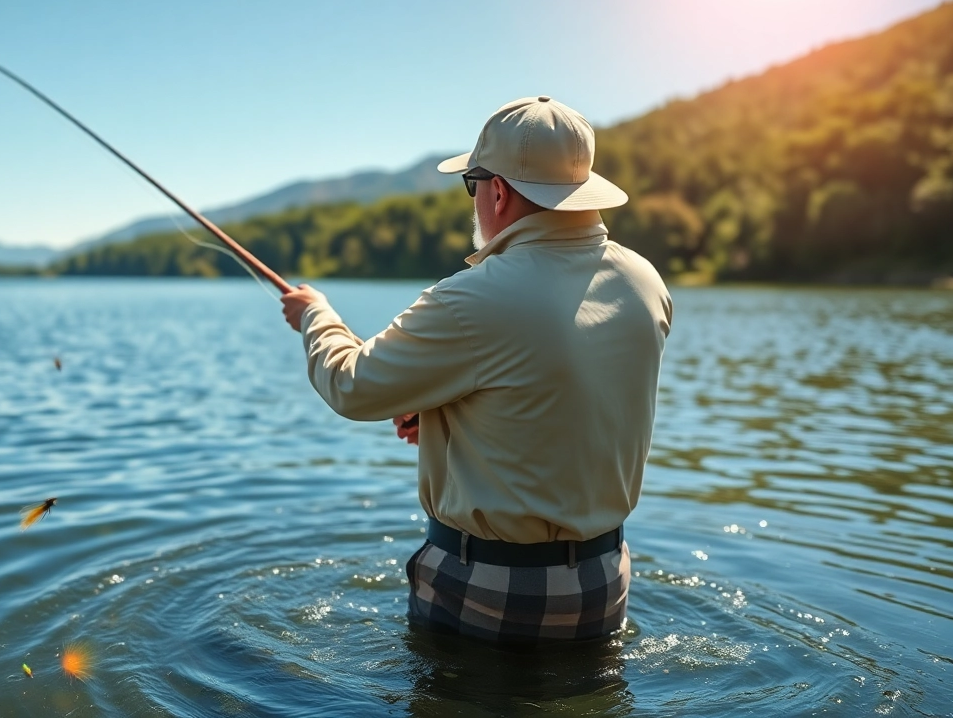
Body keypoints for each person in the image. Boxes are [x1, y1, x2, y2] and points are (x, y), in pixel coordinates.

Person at [280, 96, 673, 643]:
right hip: (605, 582)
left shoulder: (471, 299)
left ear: (498, 191)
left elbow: (352, 385)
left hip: (487, 590)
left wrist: (315, 316)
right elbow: (561, 398)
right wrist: (449, 422)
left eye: (472, 184)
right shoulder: (645, 282)